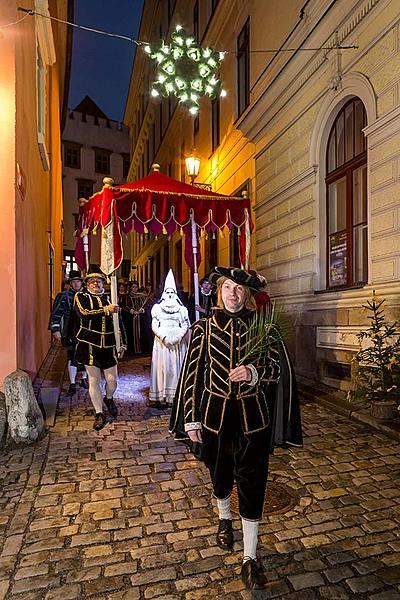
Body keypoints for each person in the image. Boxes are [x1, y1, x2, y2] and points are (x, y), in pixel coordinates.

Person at [170, 266, 280, 590]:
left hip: (253, 421)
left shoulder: (262, 327)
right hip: (215, 420)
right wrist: (190, 419)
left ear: (247, 295)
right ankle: (224, 518)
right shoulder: (203, 329)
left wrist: (254, 373)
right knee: (219, 476)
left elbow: (275, 368)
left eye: (239, 289)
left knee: (253, 482)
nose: (233, 293)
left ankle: (250, 558)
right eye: (227, 287)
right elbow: (191, 377)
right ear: (219, 292)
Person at [74, 265, 127, 431]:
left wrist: (123, 342)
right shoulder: (80, 296)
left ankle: (109, 398)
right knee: (93, 380)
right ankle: (99, 413)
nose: (95, 283)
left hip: (109, 345)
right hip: (89, 344)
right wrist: (105, 310)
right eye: (92, 281)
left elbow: (119, 322)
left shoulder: (110, 297)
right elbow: (84, 313)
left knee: (112, 381)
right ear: (87, 283)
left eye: (98, 280)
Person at [149, 269, 190, 408]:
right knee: (163, 368)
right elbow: (154, 325)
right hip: (162, 343)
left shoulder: (182, 309)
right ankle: (162, 396)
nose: (171, 295)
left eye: (173, 292)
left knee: (176, 369)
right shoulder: (157, 308)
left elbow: (185, 324)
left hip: (178, 343)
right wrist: (164, 337)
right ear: (164, 293)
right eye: (168, 292)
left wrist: (178, 337)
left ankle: (176, 396)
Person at [49, 269, 88, 394]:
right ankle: (72, 383)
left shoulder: (87, 296)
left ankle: (84, 378)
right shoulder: (63, 296)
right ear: (70, 283)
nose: (77, 284)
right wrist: (56, 330)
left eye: (78, 282)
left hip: (86, 332)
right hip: (70, 332)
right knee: (72, 356)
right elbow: (56, 314)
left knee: (86, 356)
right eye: (74, 282)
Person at [120, 281, 147, 355]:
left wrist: (142, 310)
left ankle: (141, 350)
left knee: (141, 333)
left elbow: (146, 305)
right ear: (130, 288)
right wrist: (132, 311)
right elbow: (124, 306)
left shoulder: (142, 296)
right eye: (133, 287)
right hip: (130, 318)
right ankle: (132, 350)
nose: (135, 288)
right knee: (130, 334)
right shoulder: (127, 296)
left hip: (140, 318)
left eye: (136, 287)